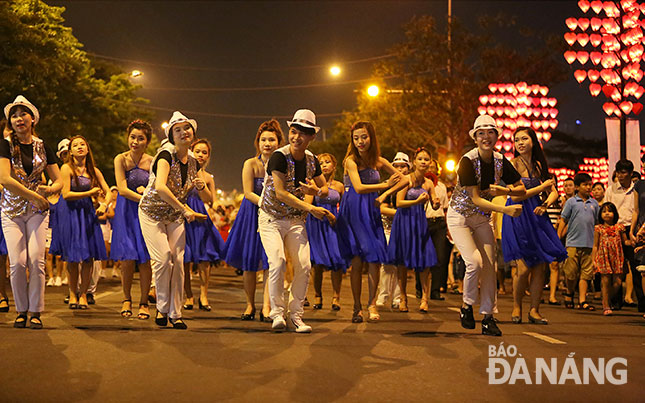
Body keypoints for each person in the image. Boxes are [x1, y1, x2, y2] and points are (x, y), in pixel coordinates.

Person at [447, 115, 525, 337]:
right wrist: (505, 209)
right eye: (481, 133)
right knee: (474, 262)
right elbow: (475, 198)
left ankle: (488, 317)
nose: (486, 137)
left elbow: (520, 189)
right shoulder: (467, 161)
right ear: (475, 137)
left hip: (482, 217)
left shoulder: (501, 160)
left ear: (497, 136)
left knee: (489, 266)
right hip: (460, 215)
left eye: (491, 132)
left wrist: (504, 191)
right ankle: (466, 306)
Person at [258, 109, 333, 333]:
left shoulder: (312, 160)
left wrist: (316, 191)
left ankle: (297, 315)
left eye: (303, 133)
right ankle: (277, 314)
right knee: (278, 261)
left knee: (304, 264)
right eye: (293, 132)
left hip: (295, 220)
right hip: (271, 217)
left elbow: (325, 187)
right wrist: (311, 206)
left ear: (312, 137)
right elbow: (280, 193)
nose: (296, 137)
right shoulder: (279, 157)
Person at [139, 111, 207, 329]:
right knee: (162, 259)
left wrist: (201, 187)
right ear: (171, 136)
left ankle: (176, 314)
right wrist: (184, 209)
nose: (183, 132)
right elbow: (160, 186)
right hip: (152, 212)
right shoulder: (165, 155)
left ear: (193, 134)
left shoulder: (195, 162)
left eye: (186, 128)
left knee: (178, 262)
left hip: (174, 215)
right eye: (177, 130)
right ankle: (161, 307)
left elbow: (209, 198)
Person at [0, 96, 61, 328]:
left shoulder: (43, 146)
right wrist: (35, 195)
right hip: (11, 210)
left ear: (33, 118)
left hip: (37, 211)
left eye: (23, 114)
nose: (18, 119)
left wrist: (52, 189)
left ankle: (35, 311)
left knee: (36, 259)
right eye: (14, 116)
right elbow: (4, 179)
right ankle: (21, 310)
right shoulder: (5, 144)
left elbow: (59, 180)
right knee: (17, 262)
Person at [336, 121, 402, 323]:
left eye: (364, 137)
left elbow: (403, 178)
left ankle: (372, 304)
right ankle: (357, 307)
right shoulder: (350, 161)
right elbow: (358, 187)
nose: (360, 142)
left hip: (371, 210)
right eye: (356, 138)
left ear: (371, 137)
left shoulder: (379, 161)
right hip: (354, 211)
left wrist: (385, 195)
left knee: (375, 258)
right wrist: (384, 185)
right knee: (356, 261)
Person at [502, 127, 568, 324]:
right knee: (522, 268)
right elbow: (515, 195)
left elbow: (553, 191)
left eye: (524, 139)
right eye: (516, 140)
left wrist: (546, 203)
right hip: (517, 214)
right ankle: (516, 306)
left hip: (537, 215)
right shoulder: (511, 165)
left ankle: (534, 310)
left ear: (533, 142)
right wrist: (541, 188)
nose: (520, 143)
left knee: (540, 266)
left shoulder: (539, 166)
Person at [222, 119, 282, 321]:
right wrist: (268, 204)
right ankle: (249, 305)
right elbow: (247, 192)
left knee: (269, 262)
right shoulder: (251, 164)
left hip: (274, 217)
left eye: (271, 139)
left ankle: (267, 307)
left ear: (278, 141)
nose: (267, 143)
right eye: (263, 139)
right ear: (258, 142)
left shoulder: (283, 164)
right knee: (249, 262)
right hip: (251, 215)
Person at [58, 135, 111, 310]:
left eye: (83, 144)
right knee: (73, 257)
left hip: (88, 214)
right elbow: (66, 194)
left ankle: (84, 294)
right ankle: (72, 293)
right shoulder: (66, 169)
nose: (80, 147)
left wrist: (104, 204)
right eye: (75, 145)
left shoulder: (94, 171)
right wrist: (88, 194)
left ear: (87, 149)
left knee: (88, 257)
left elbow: (108, 191)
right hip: (71, 213)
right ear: (70, 151)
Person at [385, 147, 440, 313]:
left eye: (426, 159)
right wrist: (417, 202)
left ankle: (424, 298)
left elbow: (434, 201)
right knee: (402, 262)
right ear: (414, 162)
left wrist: (435, 202)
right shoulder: (406, 180)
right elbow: (399, 203)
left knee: (425, 261)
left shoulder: (429, 183)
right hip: (404, 222)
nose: (423, 162)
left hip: (420, 223)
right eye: (420, 159)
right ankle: (403, 297)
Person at [112, 120, 154, 319]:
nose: (135, 142)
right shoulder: (120, 159)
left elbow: (156, 186)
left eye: (140, 138)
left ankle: (144, 302)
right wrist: (143, 197)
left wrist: (147, 194)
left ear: (147, 141)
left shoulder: (153, 162)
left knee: (145, 259)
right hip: (125, 212)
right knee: (127, 258)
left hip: (146, 214)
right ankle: (126, 299)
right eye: (132, 137)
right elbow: (121, 188)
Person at [183, 139, 225, 312]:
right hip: (184, 216)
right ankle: (188, 296)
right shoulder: (182, 172)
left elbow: (209, 200)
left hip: (201, 217)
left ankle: (203, 295)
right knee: (184, 259)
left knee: (204, 259)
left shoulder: (207, 177)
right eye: (197, 151)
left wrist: (201, 185)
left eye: (204, 152)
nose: (200, 155)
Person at [305, 153, 347, 311]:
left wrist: (338, 218)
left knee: (337, 260)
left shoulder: (339, 186)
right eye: (321, 163)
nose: (324, 165)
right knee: (318, 263)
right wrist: (323, 212)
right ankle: (318, 295)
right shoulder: (313, 184)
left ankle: (336, 297)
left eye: (327, 162)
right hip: (316, 224)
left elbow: (344, 206)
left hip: (334, 225)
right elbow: (308, 205)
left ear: (334, 166)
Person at [558, 173, 599, 310]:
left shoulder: (594, 203)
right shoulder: (571, 202)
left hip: (588, 243)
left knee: (586, 274)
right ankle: (569, 293)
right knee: (570, 272)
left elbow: (597, 223)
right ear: (577, 187)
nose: (588, 187)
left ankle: (582, 300)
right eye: (585, 185)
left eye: (590, 184)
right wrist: (558, 237)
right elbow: (563, 220)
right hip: (572, 243)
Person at [375, 152, 409, 309]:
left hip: (405, 228)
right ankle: (383, 295)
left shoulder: (413, 185)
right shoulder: (388, 185)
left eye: (403, 166)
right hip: (388, 228)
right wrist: (401, 213)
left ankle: (398, 298)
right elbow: (382, 208)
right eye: (397, 166)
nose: (400, 169)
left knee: (401, 264)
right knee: (387, 263)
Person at [592, 202, 626, 316]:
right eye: (604, 211)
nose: (607, 214)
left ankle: (607, 297)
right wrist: (594, 260)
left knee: (618, 282)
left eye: (609, 211)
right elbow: (595, 245)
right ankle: (606, 305)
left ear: (615, 213)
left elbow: (625, 241)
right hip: (603, 256)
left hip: (617, 256)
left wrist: (633, 241)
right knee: (605, 281)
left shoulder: (619, 227)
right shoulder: (598, 228)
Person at [426, 158, 451, 300]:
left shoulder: (442, 187)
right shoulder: (419, 185)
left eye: (433, 167)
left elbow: (446, 208)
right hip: (424, 222)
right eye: (428, 166)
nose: (430, 169)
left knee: (439, 257)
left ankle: (435, 290)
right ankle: (420, 288)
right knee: (423, 257)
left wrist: (448, 227)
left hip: (439, 223)